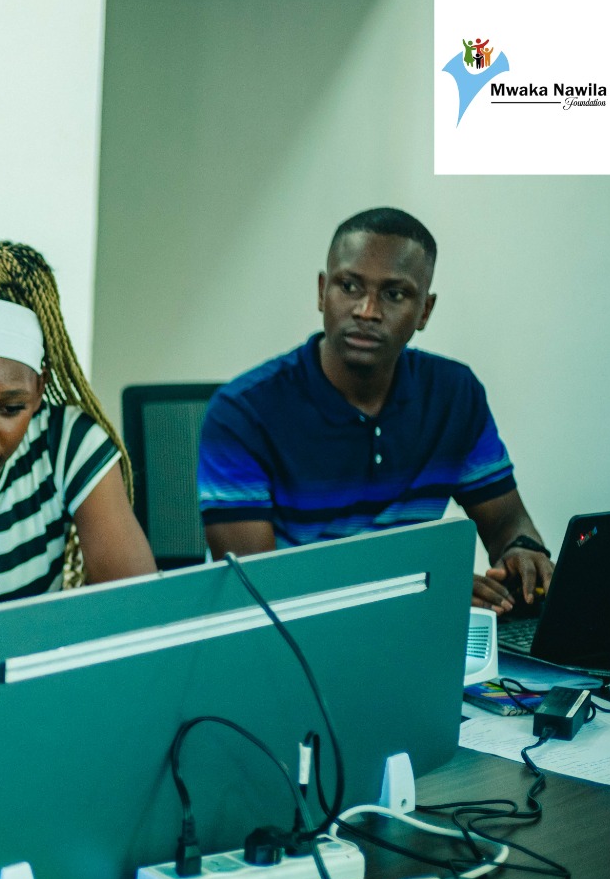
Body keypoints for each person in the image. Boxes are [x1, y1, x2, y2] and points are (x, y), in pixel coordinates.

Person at [198, 207, 554, 613]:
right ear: (321, 292)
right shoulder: (244, 412)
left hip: (410, 634)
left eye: (394, 294)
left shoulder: (454, 395)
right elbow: (259, 591)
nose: (367, 311)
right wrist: (423, 585)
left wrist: (523, 552)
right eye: (349, 286)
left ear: (424, 311)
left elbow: (508, 522)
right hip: (285, 648)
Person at [0, 238, 155, 606]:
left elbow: (138, 607)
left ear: (39, 390)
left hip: (31, 664)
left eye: (10, 408)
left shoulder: (65, 444)